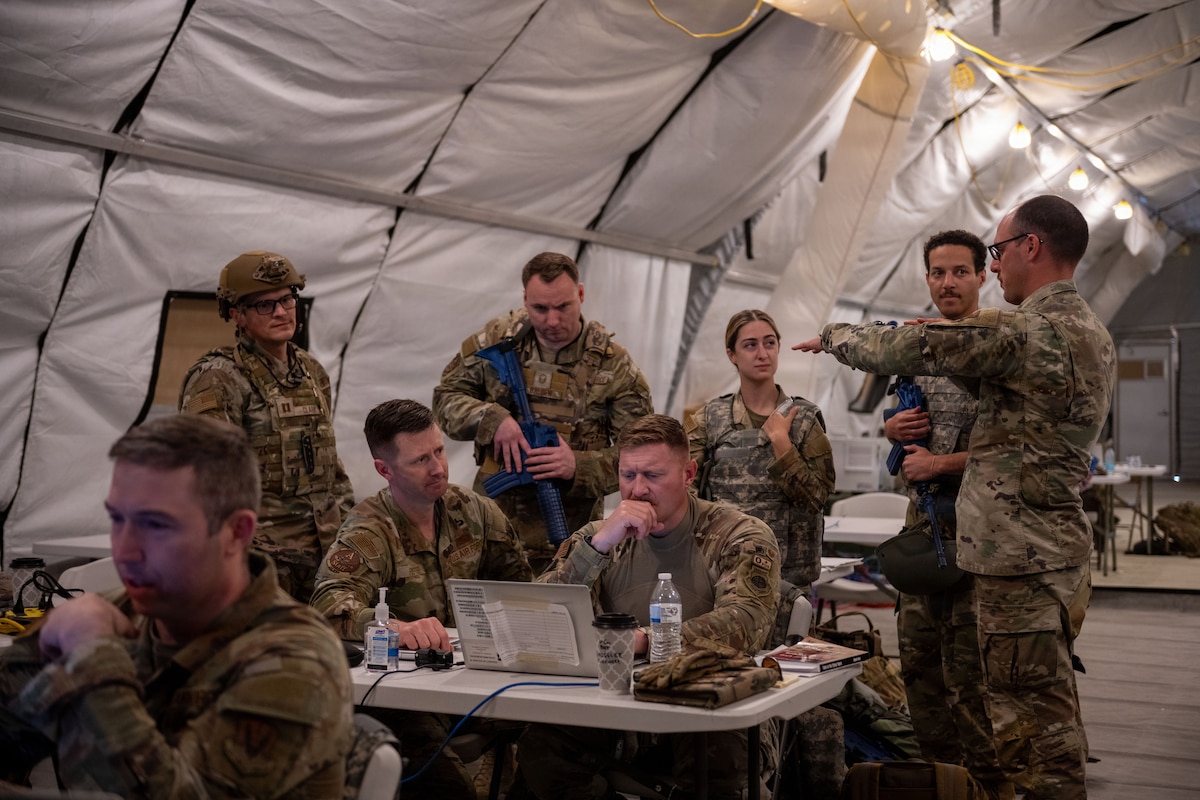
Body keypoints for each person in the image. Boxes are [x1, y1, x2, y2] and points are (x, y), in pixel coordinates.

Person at [796, 196, 1116, 800]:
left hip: (1020, 558)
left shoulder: (1031, 332)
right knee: (1040, 709)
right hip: (1045, 550)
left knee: (1028, 726)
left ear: (1032, 248)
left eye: (995, 254)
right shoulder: (1085, 332)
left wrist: (838, 336)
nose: (993, 269)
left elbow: (916, 350)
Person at [0, 414, 352, 798]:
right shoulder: (118, 612)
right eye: (117, 520)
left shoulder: (297, 661)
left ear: (237, 532)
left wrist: (92, 657)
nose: (125, 550)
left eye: (156, 525)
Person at [517, 414, 780, 800]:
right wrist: (597, 548)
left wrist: (646, 640)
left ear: (689, 474)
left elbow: (747, 622)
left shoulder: (737, 534)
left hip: (708, 703)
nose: (637, 490)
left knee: (715, 757)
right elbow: (537, 618)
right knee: (542, 745)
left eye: (653, 476)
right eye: (627, 476)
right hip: (617, 707)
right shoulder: (599, 538)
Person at [310, 398, 533, 797]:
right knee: (450, 791)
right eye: (420, 461)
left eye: (440, 451)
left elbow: (526, 594)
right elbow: (327, 605)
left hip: (477, 683)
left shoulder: (475, 512)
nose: (438, 468)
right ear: (384, 469)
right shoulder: (370, 530)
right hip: (409, 701)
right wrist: (394, 628)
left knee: (553, 749)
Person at [882, 230, 1009, 798]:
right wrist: (893, 430)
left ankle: (988, 790)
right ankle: (941, 787)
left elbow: (1019, 452)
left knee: (975, 690)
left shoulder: (1002, 346)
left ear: (983, 276)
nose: (948, 282)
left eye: (961, 271)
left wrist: (941, 464)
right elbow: (901, 452)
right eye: (938, 272)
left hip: (983, 547)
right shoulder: (914, 348)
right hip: (924, 539)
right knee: (921, 682)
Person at [432, 251, 654, 573]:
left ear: (580, 294)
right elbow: (445, 399)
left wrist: (577, 465)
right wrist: (493, 419)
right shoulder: (497, 339)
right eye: (540, 308)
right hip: (492, 529)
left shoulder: (615, 366)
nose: (552, 320)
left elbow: (641, 454)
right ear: (525, 299)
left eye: (563, 306)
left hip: (569, 535)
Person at [179, 250, 355, 603]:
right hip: (261, 561)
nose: (280, 311)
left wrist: (351, 524)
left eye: (287, 299)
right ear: (236, 314)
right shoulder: (218, 378)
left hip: (324, 553)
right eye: (264, 305)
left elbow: (326, 464)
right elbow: (207, 477)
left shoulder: (312, 372)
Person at [686, 309, 835, 589]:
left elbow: (817, 499)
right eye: (750, 345)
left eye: (769, 343)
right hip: (725, 570)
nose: (762, 354)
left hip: (788, 577)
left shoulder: (804, 419)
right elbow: (683, 485)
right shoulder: (710, 418)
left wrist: (784, 447)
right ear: (732, 354)